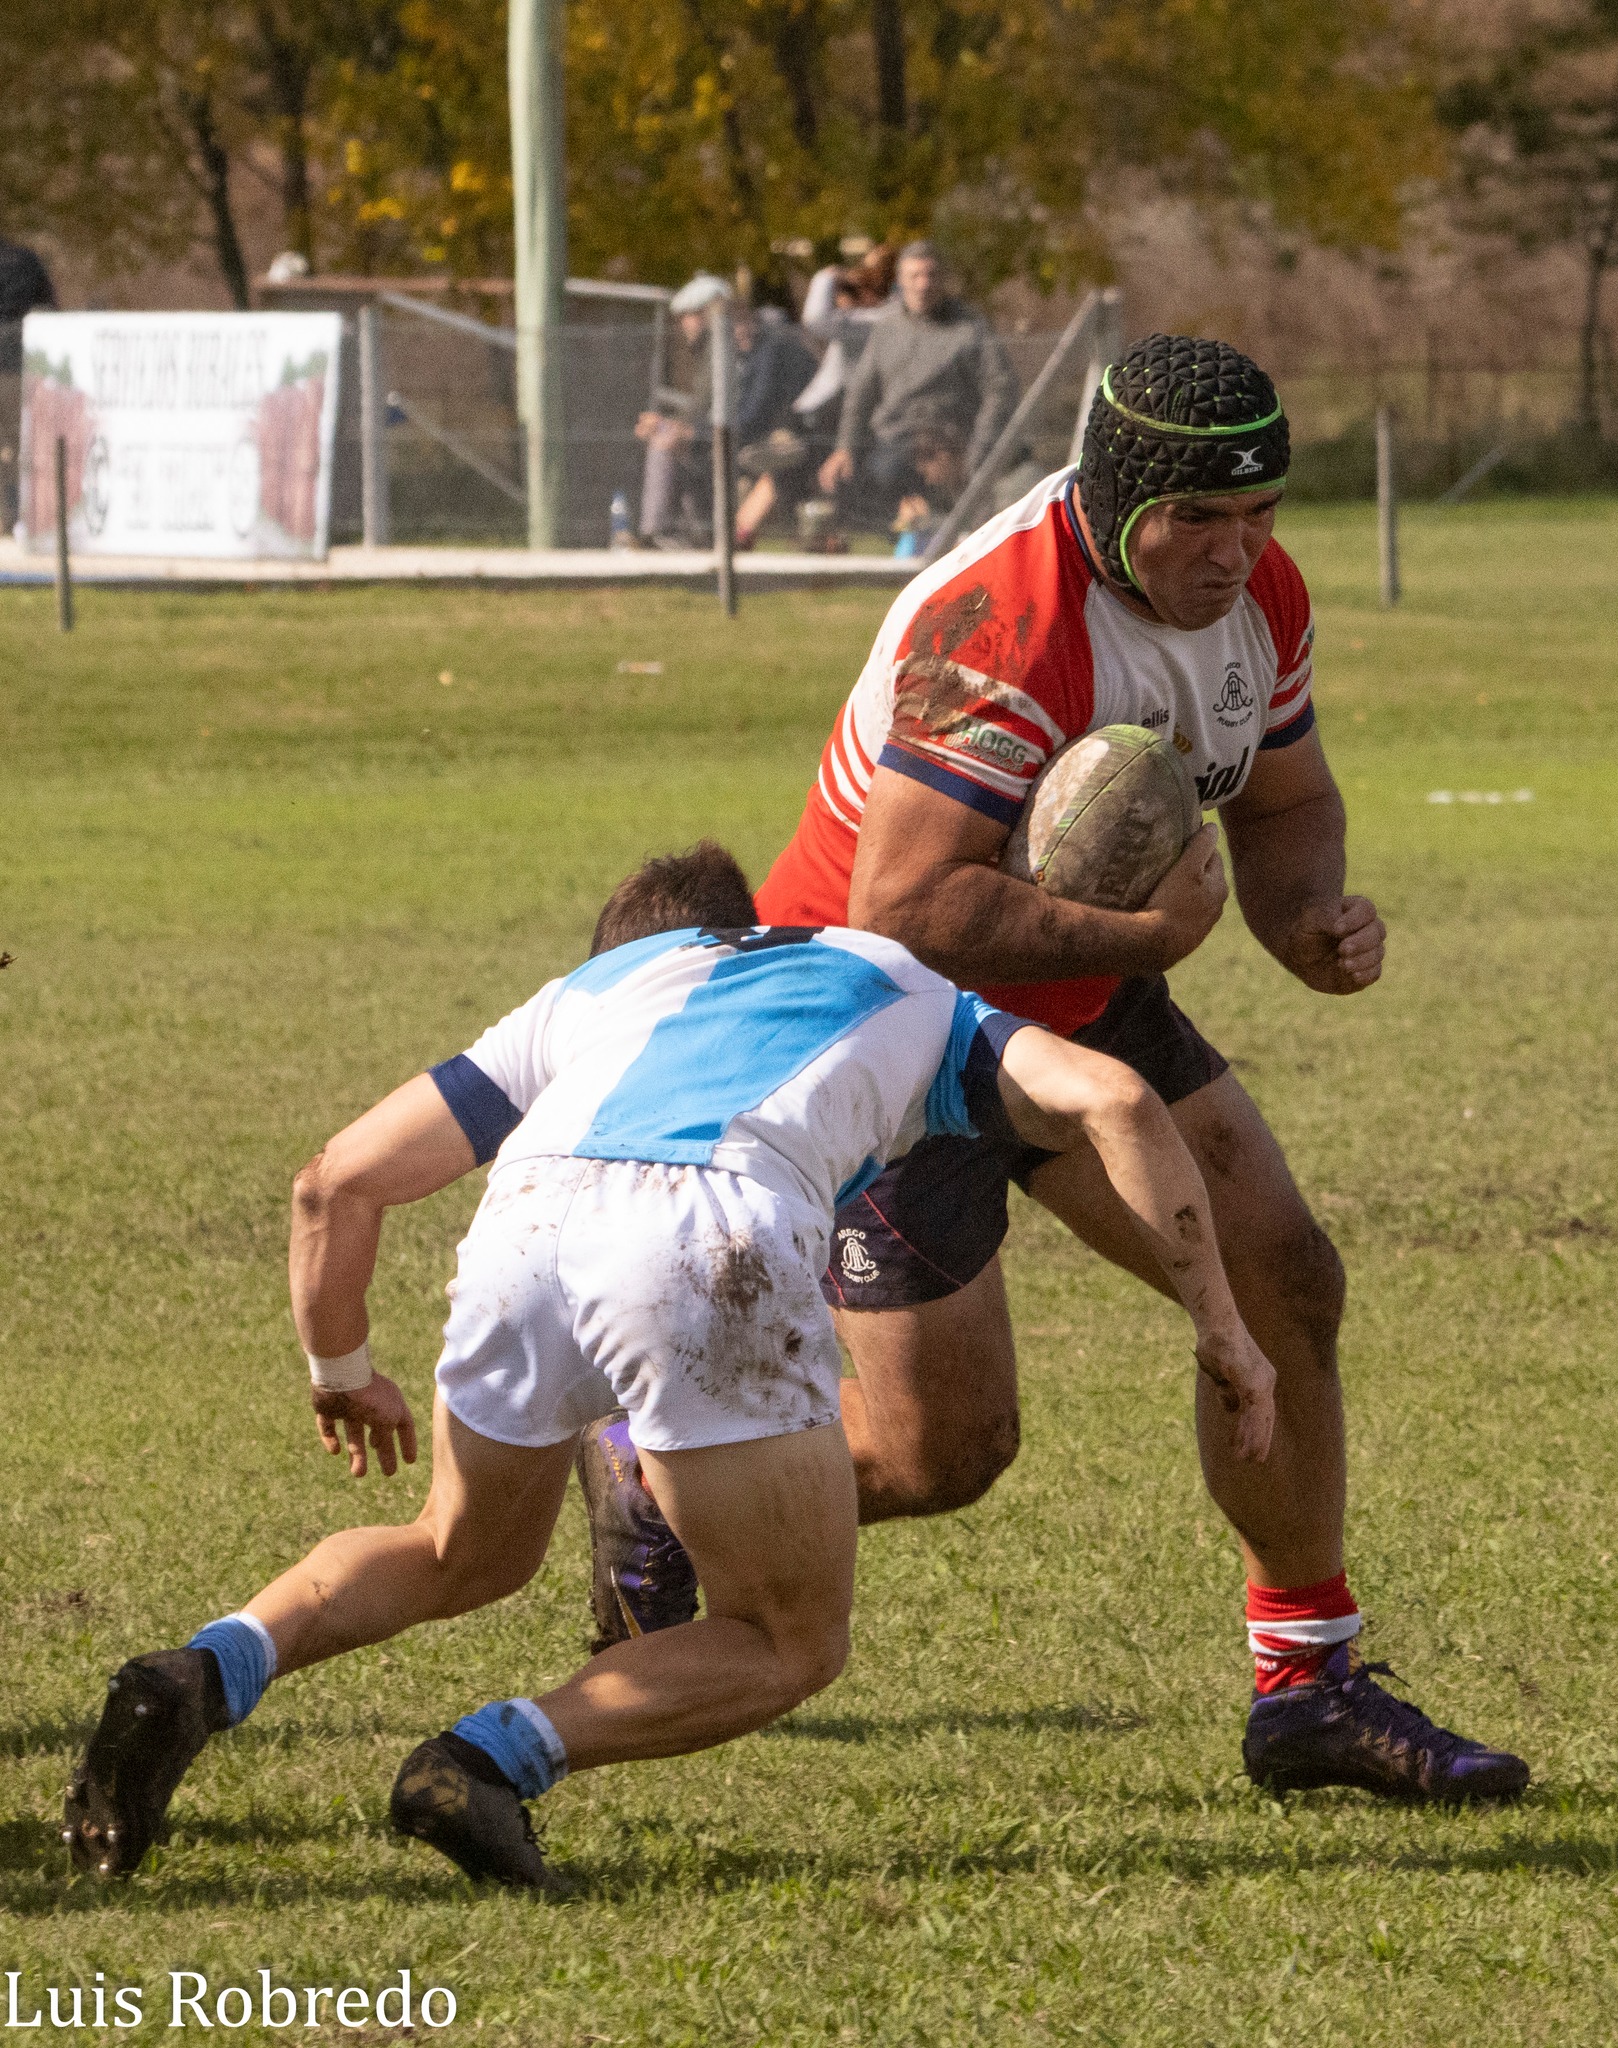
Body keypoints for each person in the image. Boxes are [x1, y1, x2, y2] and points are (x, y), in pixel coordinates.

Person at [584, 335, 1532, 1806]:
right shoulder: (1001, 624)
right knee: (941, 1451)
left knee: (1285, 1278)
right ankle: (651, 1484)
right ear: (1111, 494)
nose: (1238, 554)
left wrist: (1304, 920)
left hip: (1081, 989)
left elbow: (1289, 797)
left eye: (1263, 515)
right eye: (1200, 521)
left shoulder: (1253, 600)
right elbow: (903, 907)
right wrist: (1150, 928)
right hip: (877, 1022)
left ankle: (1307, 1685)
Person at [63, 844, 1278, 1891]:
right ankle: (483, 1759)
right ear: (744, 922)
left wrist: (341, 1366)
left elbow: (336, 1178)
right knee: (785, 1635)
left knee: (458, 1545)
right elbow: (1115, 1096)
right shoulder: (902, 979)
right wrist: (1221, 1323)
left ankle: (194, 1671)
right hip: (714, 1230)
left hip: (525, 1221)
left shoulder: (591, 991)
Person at [817, 242, 1017, 529]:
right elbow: (860, 394)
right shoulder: (886, 330)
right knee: (834, 475)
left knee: (893, 475)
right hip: (890, 440)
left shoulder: (970, 328)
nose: (923, 284)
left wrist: (981, 449)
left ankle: (928, 527)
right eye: (915, 276)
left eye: (931, 275)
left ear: (943, 279)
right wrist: (845, 446)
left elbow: (1001, 388)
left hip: (950, 442)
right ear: (900, 281)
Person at [635, 272, 729, 546]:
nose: (684, 324)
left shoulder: (722, 349)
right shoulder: (708, 351)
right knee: (656, 430)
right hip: (704, 431)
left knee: (664, 441)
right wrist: (666, 421)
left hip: (721, 434)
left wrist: (676, 428)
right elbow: (699, 406)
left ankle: (657, 532)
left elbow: (718, 408)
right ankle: (676, 530)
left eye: (689, 315)